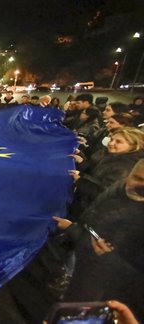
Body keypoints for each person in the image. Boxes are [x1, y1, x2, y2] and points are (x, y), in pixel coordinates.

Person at [53, 160, 144, 320]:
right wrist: (74, 230)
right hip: (85, 273)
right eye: (138, 178)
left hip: (110, 295)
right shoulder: (117, 192)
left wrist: (109, 259)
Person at [69, 127, 144, 218]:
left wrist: (81, 180)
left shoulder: (124, 167)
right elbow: (97, 176)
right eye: (111, 139)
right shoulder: (116, 157)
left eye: (118, 142)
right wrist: (83, 162)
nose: (111, 143)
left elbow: (105, 194)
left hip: (89, 213)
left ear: (134, 146)